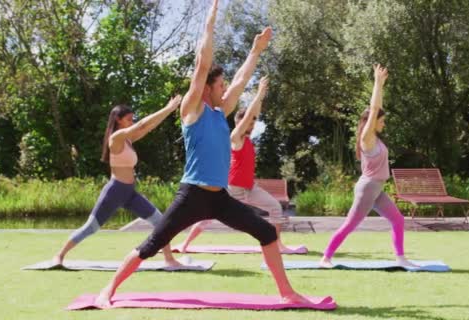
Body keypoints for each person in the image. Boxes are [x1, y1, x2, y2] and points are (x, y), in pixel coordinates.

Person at [94, 0, 310, 307]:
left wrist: (256, 50)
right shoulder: (192, 110)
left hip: (220, 198)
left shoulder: (221, 112)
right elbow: (202, 66)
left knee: (266, 232)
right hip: (192, 195)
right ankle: (108, 291)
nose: (224, 89)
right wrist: (210, 22)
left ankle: (287, 292)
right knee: (152, 244)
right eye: (219, 85)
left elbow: (240, 81)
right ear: (208, 87)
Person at [52, 96, 183, 268]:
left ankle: (169, 259)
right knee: (90, 227)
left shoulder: (128, 139)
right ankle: (59, 256)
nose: (132, 122)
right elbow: (142, 124)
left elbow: (148, 126)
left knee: (160, 222)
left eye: (132, 119)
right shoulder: (116, 138)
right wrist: (168, 108)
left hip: (130, 193)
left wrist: (169, 111)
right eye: (128, 119)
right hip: (115, 191)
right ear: (118, 120)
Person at [178, 76, 293, 252]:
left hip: (250, 188)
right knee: (208, 217)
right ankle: (185, 245)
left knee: (275, 207)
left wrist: (260, 99)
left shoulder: (247, 139)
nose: (252, 124)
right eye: (249, 122)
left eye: (254, 122)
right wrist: (259, 94)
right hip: (233, 189)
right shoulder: (235, 138)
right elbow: (248, 117)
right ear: (239, 122)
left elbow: (253, 114)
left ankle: (278, 245)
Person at [319, 64, 418, 269]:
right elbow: (374, 109)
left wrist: (381, 85)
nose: (383, 123)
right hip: (367, 189)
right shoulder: (367, 138)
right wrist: (376, 83)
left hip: (377, 189)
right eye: (382, 121)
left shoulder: (376, 139)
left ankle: (400, 258)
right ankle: (325, 258)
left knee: (398, 220)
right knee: (350, 225)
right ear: (372, 122)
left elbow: (377, 108)